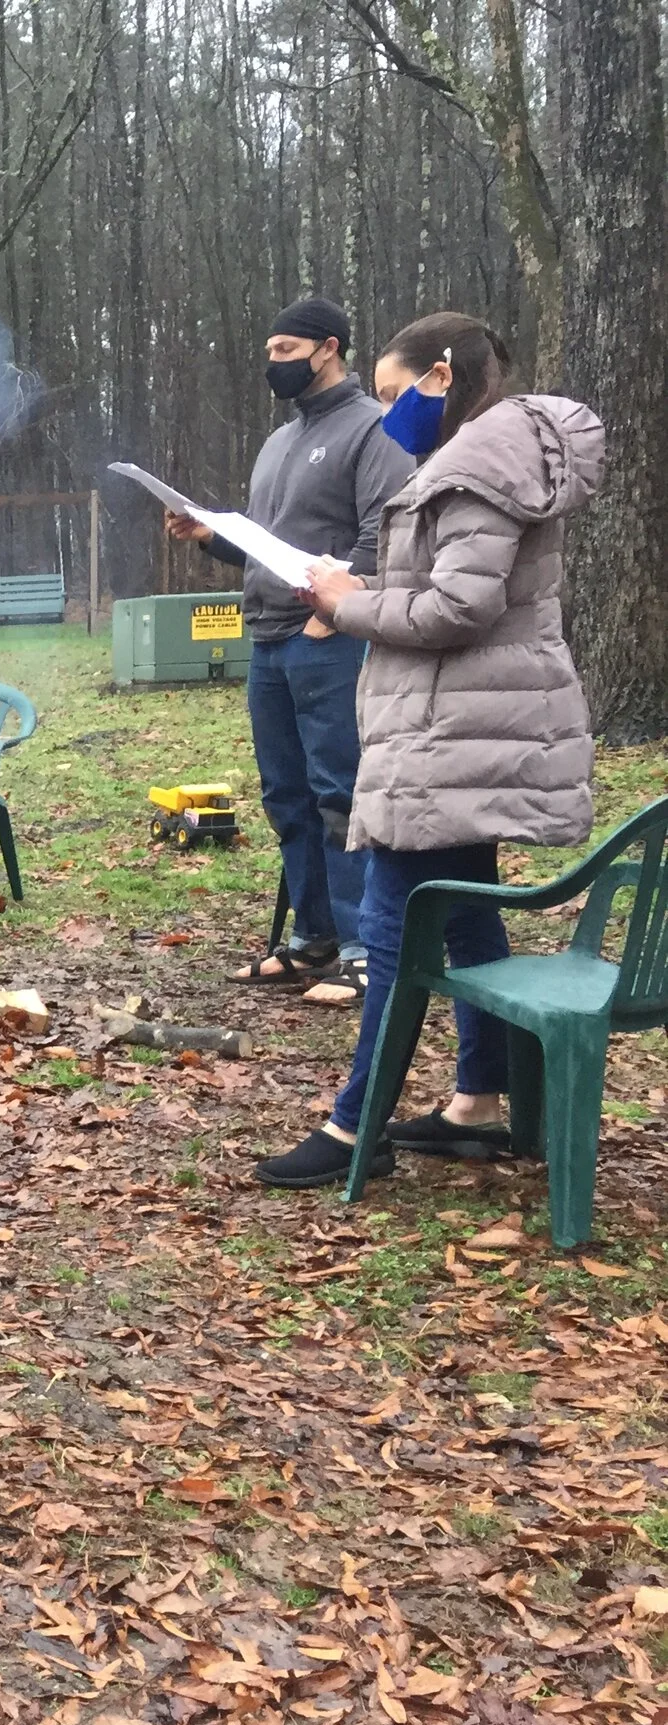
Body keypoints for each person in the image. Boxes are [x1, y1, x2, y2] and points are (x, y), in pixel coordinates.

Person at [254, 314, 601, 1190]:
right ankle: (476, 1103)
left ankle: (352, 1126)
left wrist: (345, 603)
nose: (386, 413)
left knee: (390, 918)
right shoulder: (479, 459)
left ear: (440, 379)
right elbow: (444, 588)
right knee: (466, 910)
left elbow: (458, 612)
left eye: (391, 393)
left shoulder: (480, 468)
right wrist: (364, 587)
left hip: (459, 730)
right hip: (462, 725)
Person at [166, 297, 411, 994]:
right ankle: (312, 939)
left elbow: (382, 535)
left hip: (329, 641)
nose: (271, 364)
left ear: (326, 348)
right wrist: (212, 536)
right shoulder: (279, 441)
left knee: (340, 790)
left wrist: (333, 617)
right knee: (287, 795)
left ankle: (366, 949)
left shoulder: (373, 429)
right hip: (268, 642)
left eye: (283, 351)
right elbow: (269, 549)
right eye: (269, 352)